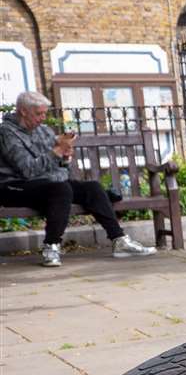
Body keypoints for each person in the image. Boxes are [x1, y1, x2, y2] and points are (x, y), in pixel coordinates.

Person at [0, 91, 157, 266]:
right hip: (15, 187)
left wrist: (65, 157)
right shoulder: (6, 133)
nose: (43, 118)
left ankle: (119, 240)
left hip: (48, 185)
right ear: (23, 111)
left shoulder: (43, 131)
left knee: (92, 188)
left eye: (45, 113)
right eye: (38, 113)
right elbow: (27, 170)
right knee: (61, 188)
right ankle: (51, 247)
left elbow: (57, 165)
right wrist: (58, 152)